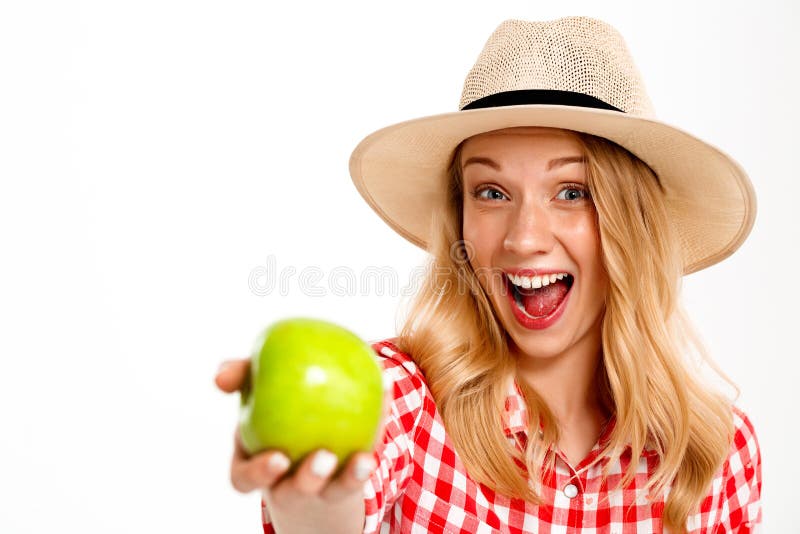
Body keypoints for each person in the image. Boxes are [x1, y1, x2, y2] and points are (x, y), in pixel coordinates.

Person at [215, 16, 762, 533]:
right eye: (491, 193)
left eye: (572, 193)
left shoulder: (715, 456)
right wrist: (316, 498)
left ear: (631, 222)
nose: (523, 238)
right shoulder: (404, 401)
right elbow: (337, 502)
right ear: (460, 219)